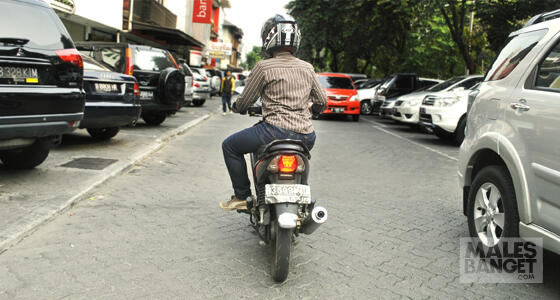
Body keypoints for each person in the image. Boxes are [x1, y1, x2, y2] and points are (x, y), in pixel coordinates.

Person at [219, 15, 327, 211]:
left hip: (272, 132)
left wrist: (238, 107)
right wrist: (315, 111)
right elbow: (321, 101)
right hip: (306, 136)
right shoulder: (308, 68)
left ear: (268, 39)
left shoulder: (263, 67)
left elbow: (245, 102)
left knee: (229, 146)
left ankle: (242, 196)